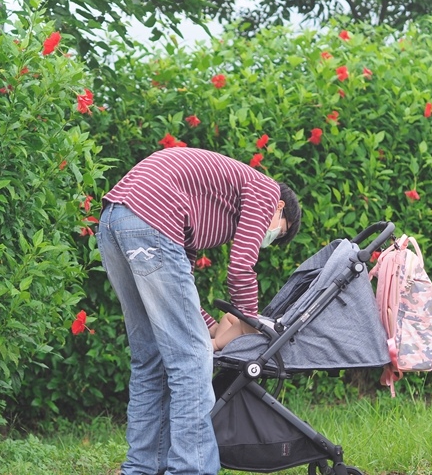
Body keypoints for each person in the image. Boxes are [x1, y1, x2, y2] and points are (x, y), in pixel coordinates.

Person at [96, 147, 301, 475]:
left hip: (114, 220)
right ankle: (191, 469)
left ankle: (140, 468)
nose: (271, 237)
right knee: (192, 359)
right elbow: (240, 268)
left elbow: (179, 284)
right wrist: (249, 320)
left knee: (151, 357)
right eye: (280, 229)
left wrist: (209, 325)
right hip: (151, 217)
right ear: (278, 208)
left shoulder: (202, 209)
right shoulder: (265, 190)